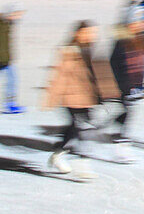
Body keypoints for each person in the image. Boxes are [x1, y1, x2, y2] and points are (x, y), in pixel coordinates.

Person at [43, 21, 120, 179]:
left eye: (92, 33)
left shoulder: (93, 50)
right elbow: (59, 76)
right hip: (71, 97)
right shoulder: (68, 51)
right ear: (77, 33)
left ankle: (59, 153)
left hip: (87, 97)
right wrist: (51, 98)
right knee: (83, 130)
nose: (90, 36)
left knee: (75, 129)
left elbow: (103, 75)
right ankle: (82, 166)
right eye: (87, 33)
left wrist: (110, 93)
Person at [108, 17, 144, 163]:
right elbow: (113, 66)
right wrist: (122, 87)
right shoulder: (121, 42)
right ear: (131, 25)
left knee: (127, 114)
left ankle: (114, 131)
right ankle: (122, 148)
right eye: (141, 22)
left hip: (135, 86)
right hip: (124, 86)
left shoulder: (140, 39)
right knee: (128, 115)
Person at [0, 6, 25, 113]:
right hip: (2, 60)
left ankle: (10, 104)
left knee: (12, 81)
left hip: (6, 60)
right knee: (12, 81)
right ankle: (10, 105)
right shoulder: (3, 25)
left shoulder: (8, 25)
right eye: (16, 14)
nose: (18, 17)